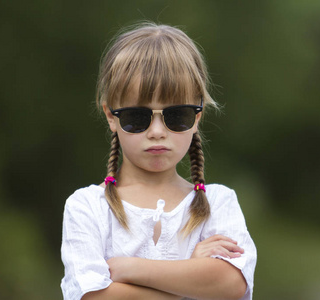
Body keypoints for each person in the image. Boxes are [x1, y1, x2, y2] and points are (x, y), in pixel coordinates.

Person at [60, 22, 257, 300]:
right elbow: (91, 296)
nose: (156, 132)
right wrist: (191, 277)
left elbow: (231, 284)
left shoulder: (219, 204)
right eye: (136, 117)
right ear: (110, 116)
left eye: (177, 115)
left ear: (197, 116)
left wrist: (128, 269)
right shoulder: (87, 208)